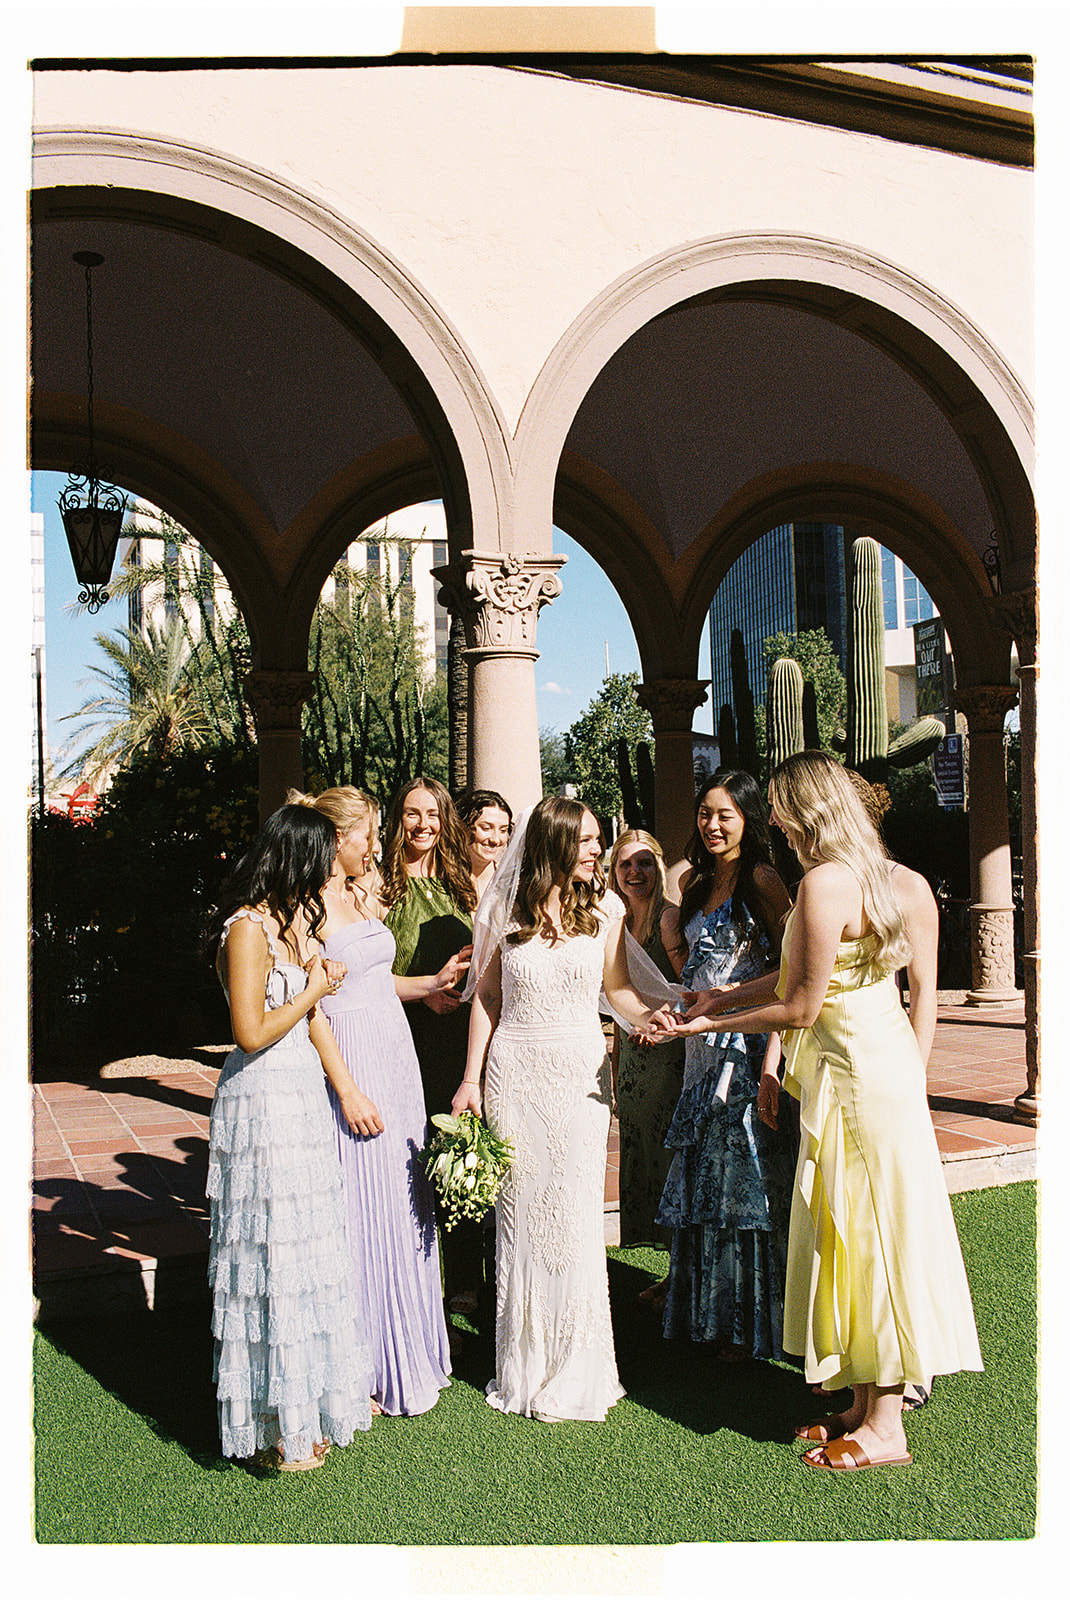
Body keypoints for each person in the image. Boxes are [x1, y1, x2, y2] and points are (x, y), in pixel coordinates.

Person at [654, 751, 983, 1470]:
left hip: (857, 1082)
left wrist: (704, 1025)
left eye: (777, 804)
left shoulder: (827, 882)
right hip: (878, 1075)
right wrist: (722, 997)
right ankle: (865, 1403)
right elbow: (845, 981)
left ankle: (887, 1426)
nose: (771, 817)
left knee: (869, 1241)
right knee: (853, 1232)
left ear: (806, 809)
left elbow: (801, 1004)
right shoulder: (894, 881)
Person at [451, 797, 663, 1422]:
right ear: (555, 844)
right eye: (589, 841)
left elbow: (619, 988)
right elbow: (486, 997)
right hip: (513, 1074)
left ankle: (578, 1365)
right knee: (519, 1219)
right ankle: (522, 1364)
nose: (599, 850)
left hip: (578, 1079)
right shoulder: (502, 910)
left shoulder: (606, 912)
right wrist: (469, 1080)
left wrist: (648, 1019)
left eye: (600, 840)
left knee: (572, 1218)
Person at [292, 786, 469, 1417]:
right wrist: (345, 1088)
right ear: (336, 839)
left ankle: (413, 1346)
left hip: (397, 1054)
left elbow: (373, 979)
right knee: (361, 1201)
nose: (376, 844)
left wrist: (432, 985)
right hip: (353, 1058)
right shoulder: (304, 904)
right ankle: (361, 1362)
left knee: (402, 1197)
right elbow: (312, 1008)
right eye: (368, 834)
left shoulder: (359, 891)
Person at [206, 804, 373, 1470]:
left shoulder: (295, 924)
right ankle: (274, 1425)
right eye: (320, 861)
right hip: (262, 1099)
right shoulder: (248, 930)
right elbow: (250, 1032)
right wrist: (312, 989)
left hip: (301, 1094)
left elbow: (311, 1024)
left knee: (306, 1255)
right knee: (269, 1258)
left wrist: (343, 1082)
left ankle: (304, 1411)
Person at [654, 772, 795, 1360]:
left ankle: (749, 1327)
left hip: (749, 1048)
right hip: (699, 1050)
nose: (712, 826)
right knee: (705, 1182)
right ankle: (704, 1317)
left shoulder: (762, 879)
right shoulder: (694, 883)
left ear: (749, 819)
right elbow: (691, 968)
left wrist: (772, 1064)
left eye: (726, 816)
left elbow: (797, 970)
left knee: (746, 1189)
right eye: (705, 814)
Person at [380, 776, 481, 1310]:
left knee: (457, 1153)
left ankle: (463, 1280)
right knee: (409, 1153)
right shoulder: (378, 885)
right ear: (398, 819)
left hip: (458, 1036)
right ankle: (413, 1282)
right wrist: (424, 997)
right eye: (413, 814)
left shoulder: (461, 885)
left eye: (433, 815)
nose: (423, 825)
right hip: (403, 1033)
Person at [606, 829, 686, 1263]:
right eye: (625, 864)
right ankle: (650, 1249)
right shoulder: (615, 923)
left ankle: (675, 1263)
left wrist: (656, 1020)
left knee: (666, 1150)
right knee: (636, 1143)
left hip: (667, 1052)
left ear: (658, 867)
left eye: (644, 863)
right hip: (630, 1053)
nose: (634, 872)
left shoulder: (668, 920)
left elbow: (688, 987)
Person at [457, 788, 513, 905]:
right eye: (486, 828)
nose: (495, 839)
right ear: (463, 827)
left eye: (503, 830)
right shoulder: (443, 879)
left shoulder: (511, 883)